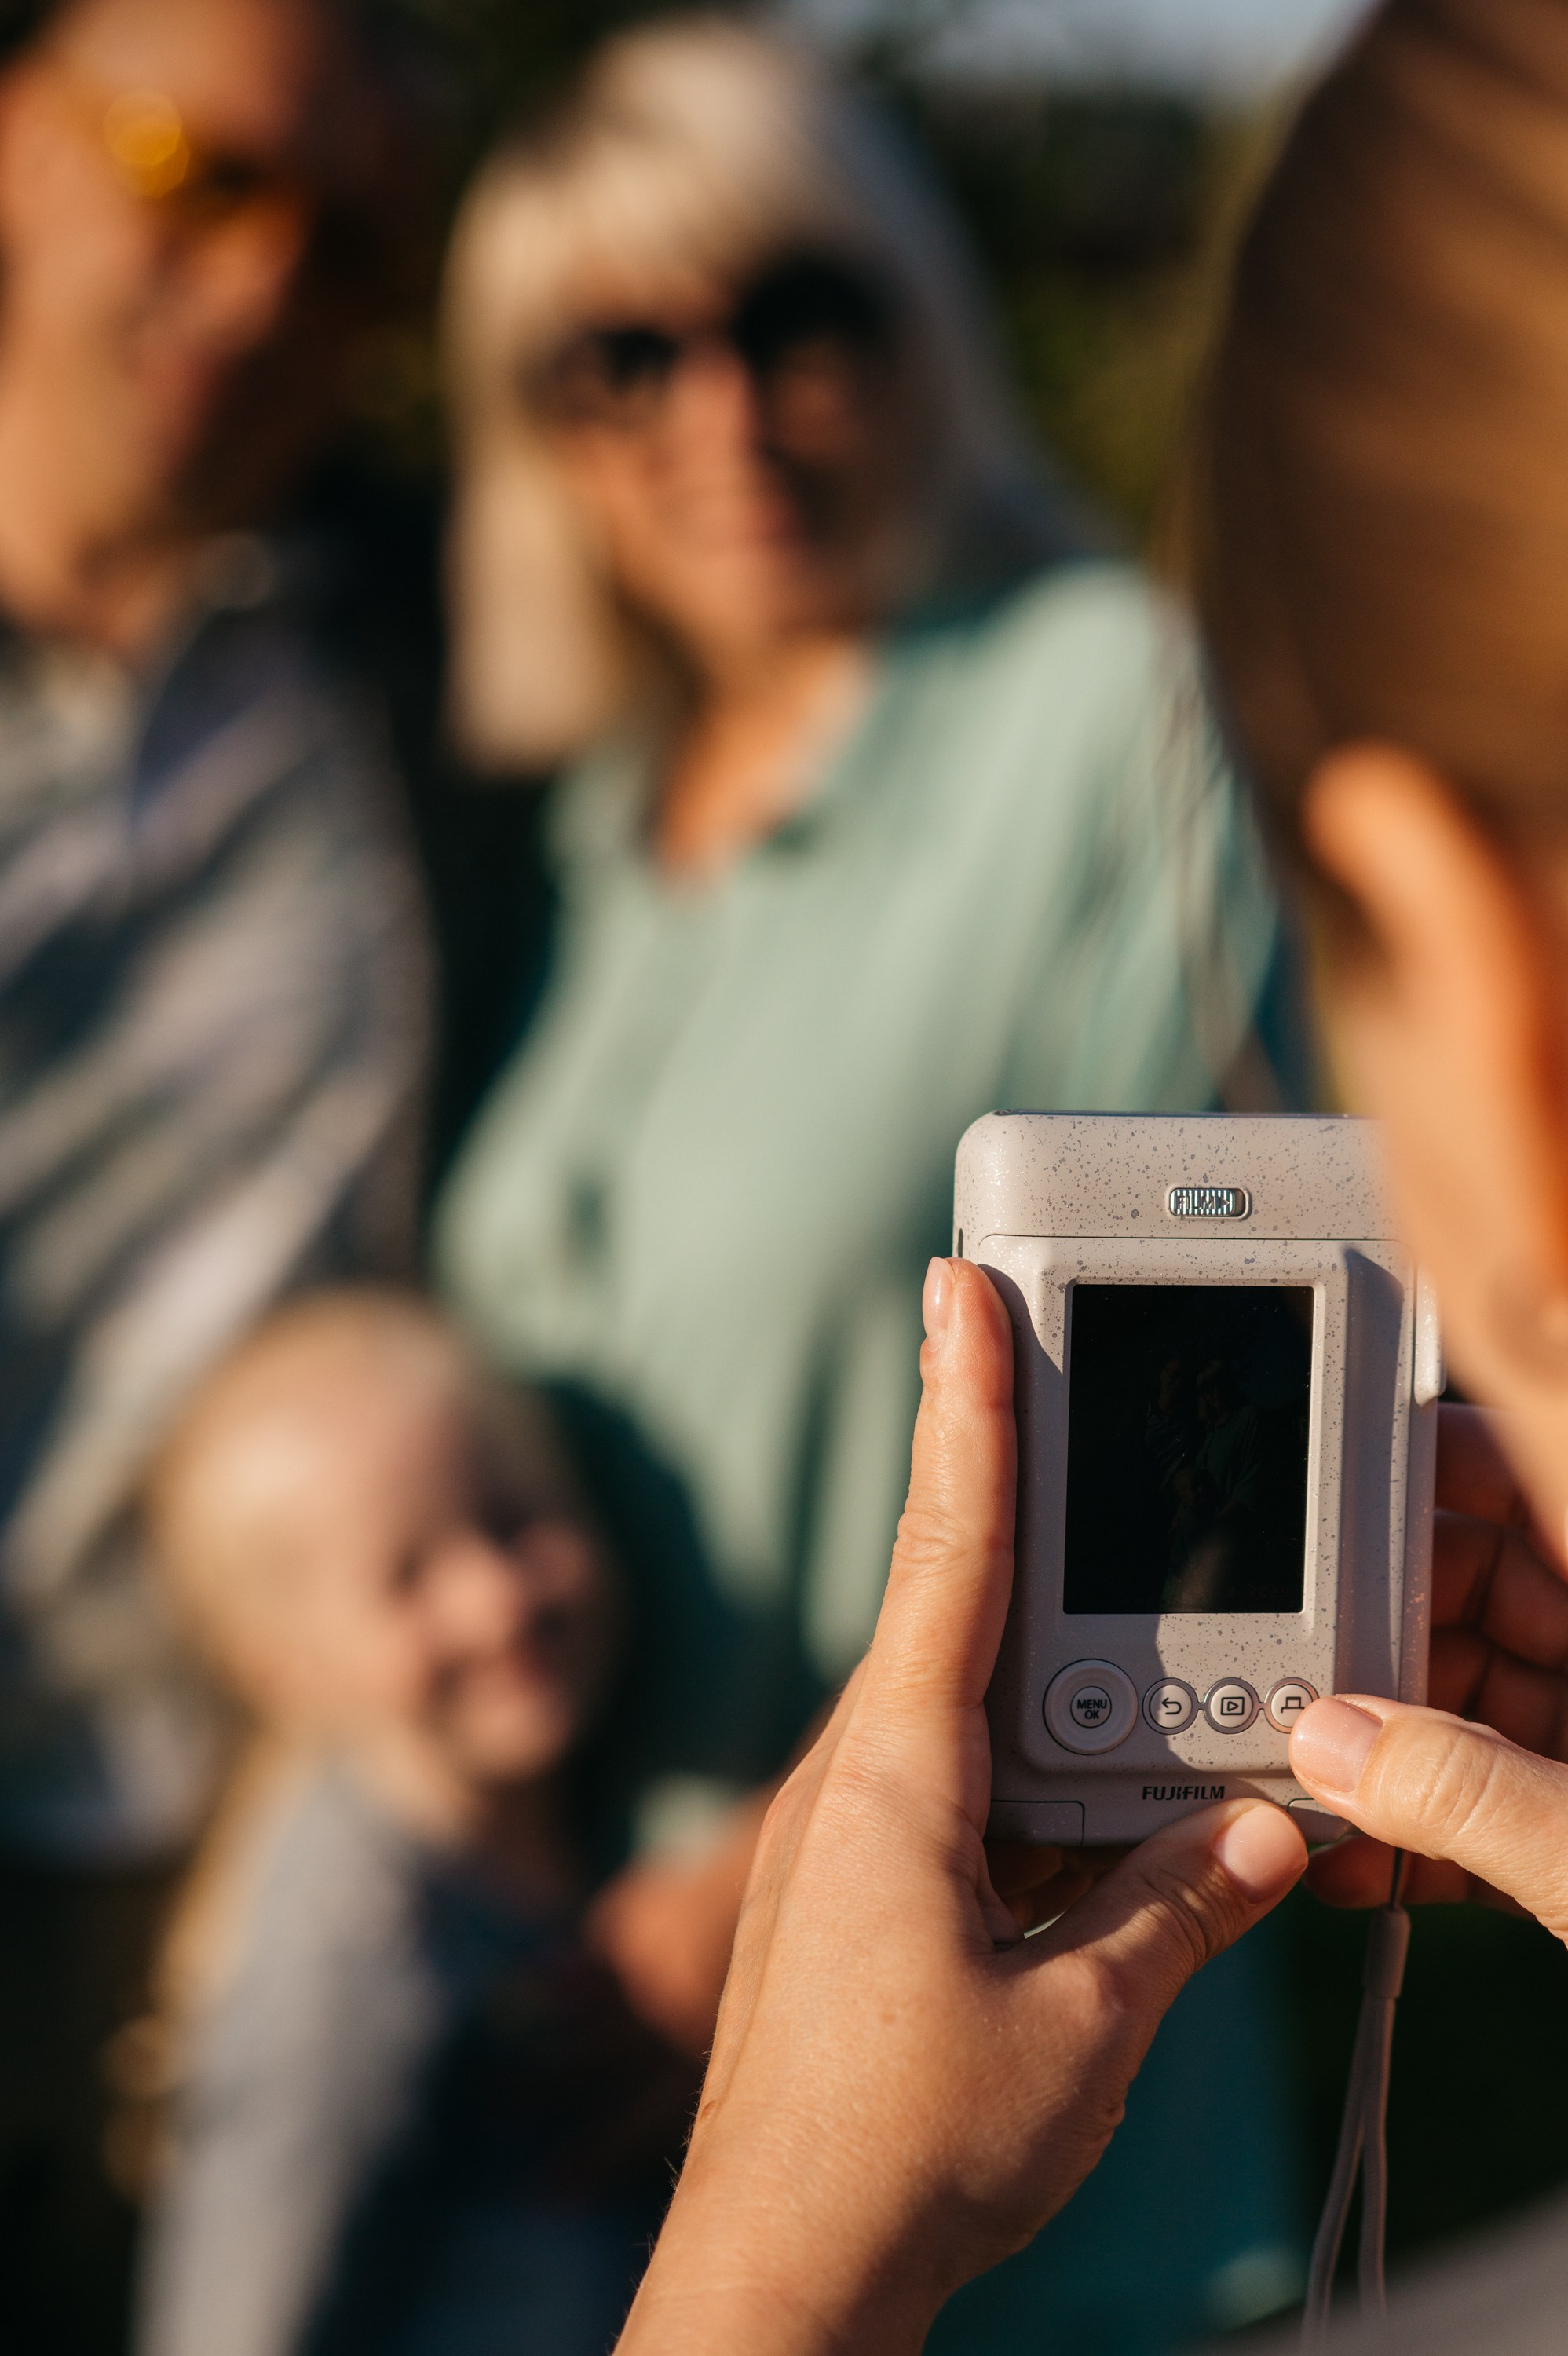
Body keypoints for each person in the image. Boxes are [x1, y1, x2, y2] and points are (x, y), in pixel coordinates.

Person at [590, 0, 1568, 2346]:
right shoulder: (598, 823)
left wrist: (777, 2251)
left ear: (1457, 956)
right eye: (613, 354)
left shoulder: (1052, 711)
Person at [436, 22, 1307, 2342]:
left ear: (916, 310)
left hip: (993, 2061)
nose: (716, 415)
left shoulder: (1104, 715)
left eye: (788, 317)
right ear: (532, 430)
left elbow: (1198, 1443)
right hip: (598, 2102)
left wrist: (756, 1891)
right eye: (620, 355)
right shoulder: (601, 832)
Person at [0, 0, 444, 2343]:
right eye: (202, 170)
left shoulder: (415, 656)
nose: (270, 281)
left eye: (354, 240)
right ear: (21, 146)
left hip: (216, 1880)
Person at [134, 1291, 693, 2356]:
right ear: (280, 1665)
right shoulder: (347, 1954)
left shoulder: (558, 1838)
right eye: (408, 1576)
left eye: (511, 1518)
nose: (494, 1600)